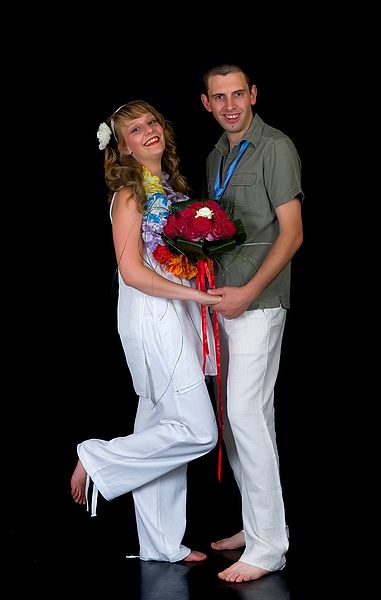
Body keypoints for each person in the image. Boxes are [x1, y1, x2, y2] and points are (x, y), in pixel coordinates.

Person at [70, 100, 221, 563]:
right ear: (124, 147)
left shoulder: (168, 186)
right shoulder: (130, 194)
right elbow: (131, 271)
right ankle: (96, 457)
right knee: (199, 431)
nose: (148, 131)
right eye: (135, 129)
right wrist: (194, 296)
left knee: (159, 422)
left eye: (152, 122)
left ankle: (160, 546)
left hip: (174, 310)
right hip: (153, 315)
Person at [200, 64, 304, 583]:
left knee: (247, 418)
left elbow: (292, 234)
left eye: (238, 94)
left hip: (258, 304)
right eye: (219, 97)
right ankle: (256, 521)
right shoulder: (216, 154)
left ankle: (269, 548)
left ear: (253, 94)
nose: (230, 104)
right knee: (232, 424)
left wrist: (247, 293)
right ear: (207, 103)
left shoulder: (276, 148)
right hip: (223, 302)